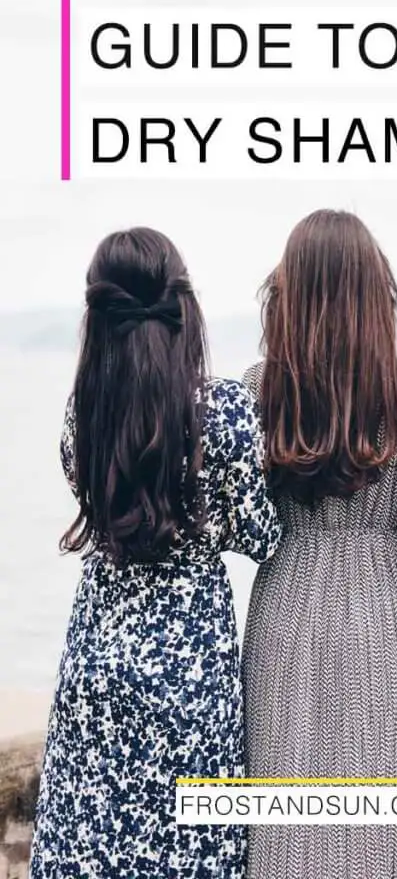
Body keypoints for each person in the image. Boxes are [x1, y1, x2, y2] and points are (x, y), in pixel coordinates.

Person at [29, 227, 282, 879]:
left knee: (92, 849)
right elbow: (260, 535)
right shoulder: (225, 413)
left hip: (98, 661)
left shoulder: (81, 414)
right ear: (183, 309)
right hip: (192, 673)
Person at [241, 209, 397, 879]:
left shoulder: (259, 387)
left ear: (289, 290)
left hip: (285, 591)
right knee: (381, 795)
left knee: (282, 787)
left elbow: (237, 513)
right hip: (381, 597)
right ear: (375, 290)